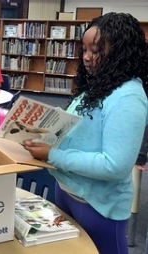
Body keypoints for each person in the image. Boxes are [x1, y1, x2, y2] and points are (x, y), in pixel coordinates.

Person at [23, 12, 148, 254]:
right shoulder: (98, 84)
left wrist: (53, 155)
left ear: (121, 51)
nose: (88, 58)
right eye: (85, 50)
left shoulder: (128, 97)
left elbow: (115, 165)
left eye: (97, 50)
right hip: (69, 190)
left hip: (97, 205)